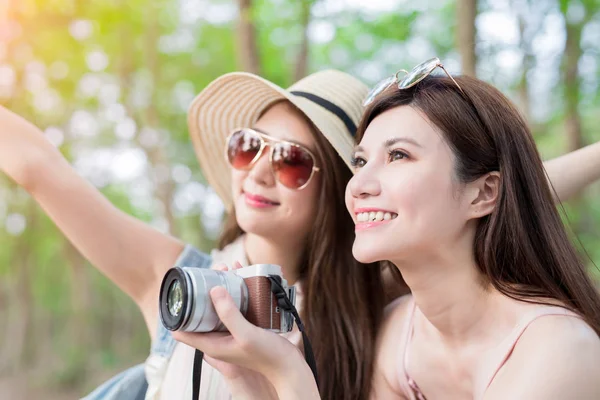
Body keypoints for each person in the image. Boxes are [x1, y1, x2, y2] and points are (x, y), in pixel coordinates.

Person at [1, 64, 600, 400]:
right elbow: (37, 167)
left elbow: (506, 190)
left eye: (292, 161)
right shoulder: (179, 280)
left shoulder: (373, 303)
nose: (261, 169)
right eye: (246, 147)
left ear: (337, 195)